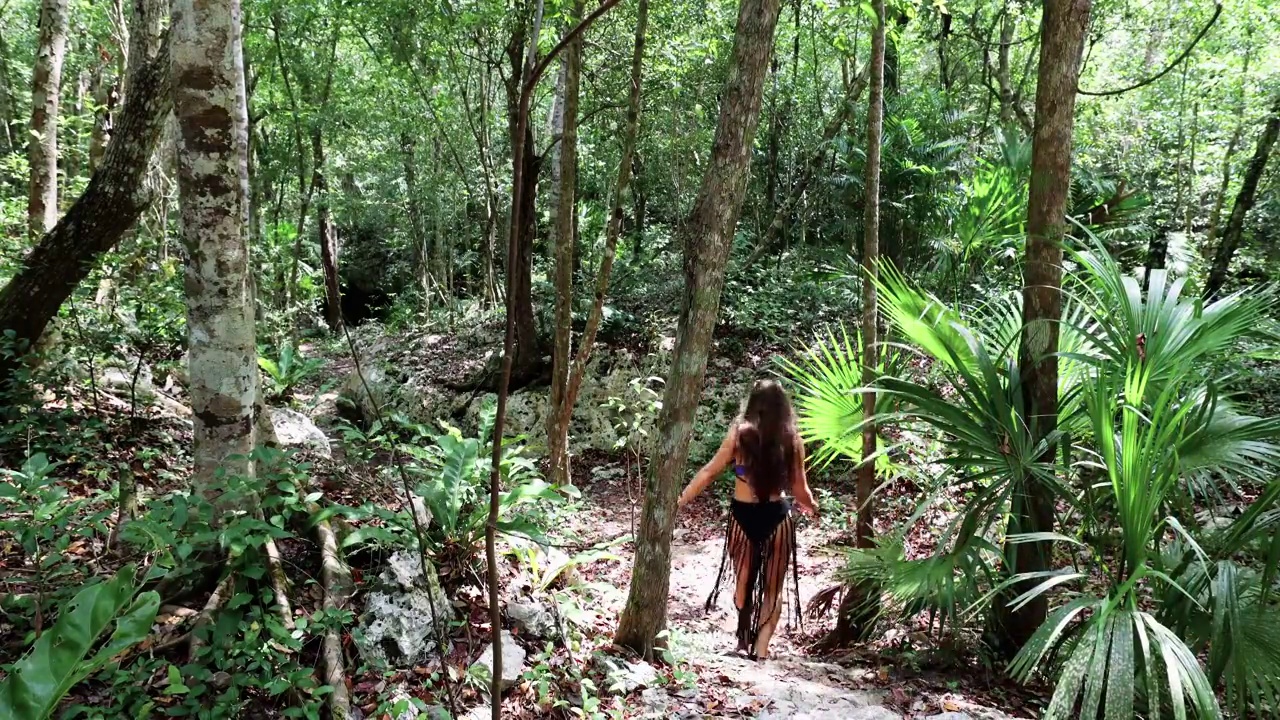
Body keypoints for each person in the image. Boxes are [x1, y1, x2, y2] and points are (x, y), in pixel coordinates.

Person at [677, 379, 817, 660]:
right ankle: (760, 652)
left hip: (743, 516)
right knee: (772, 590)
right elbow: (800, 490)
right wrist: (813, 506)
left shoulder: (739, 435)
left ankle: (752, 644)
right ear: (783, 407)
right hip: (778, 518)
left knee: (742, 586)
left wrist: (680, 500)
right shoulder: (792, 439)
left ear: (752, 403)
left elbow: (709, 472)